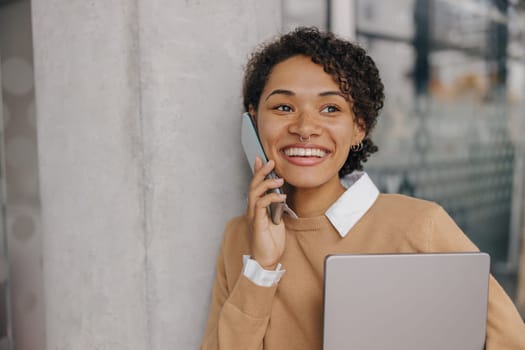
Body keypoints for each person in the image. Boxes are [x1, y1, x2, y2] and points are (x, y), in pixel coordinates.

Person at [200, 27, 525, 349]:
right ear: (253, 120)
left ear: (359, 127)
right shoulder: (239, 236)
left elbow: (511, 341)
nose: (304, 128)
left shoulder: (419, 226)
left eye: (331, 108)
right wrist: (262, 268)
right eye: (284, 107)